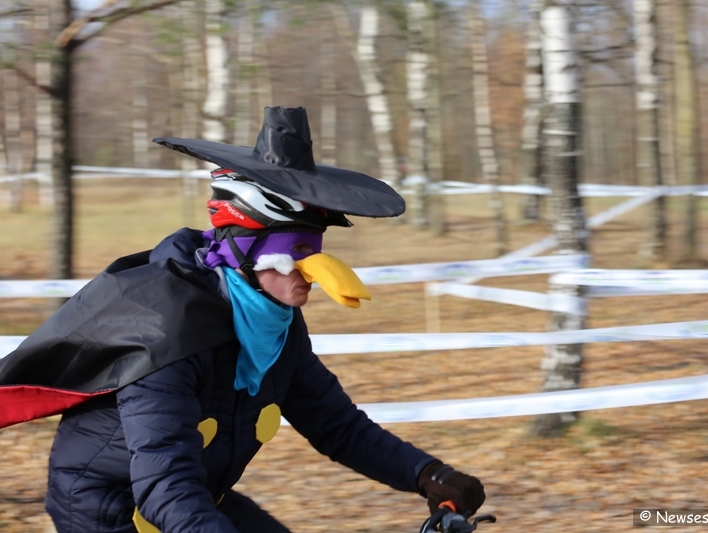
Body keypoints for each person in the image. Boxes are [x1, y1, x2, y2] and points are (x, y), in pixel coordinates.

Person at [0, 106, 485, 533]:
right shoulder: (168, 332)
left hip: (200, 496)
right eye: (294, 251)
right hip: (108, 507)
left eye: (314, 250)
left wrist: (429, 474)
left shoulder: (277, 325)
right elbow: (164, 486)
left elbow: (338, 427)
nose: (312, 269)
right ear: (242, 255)